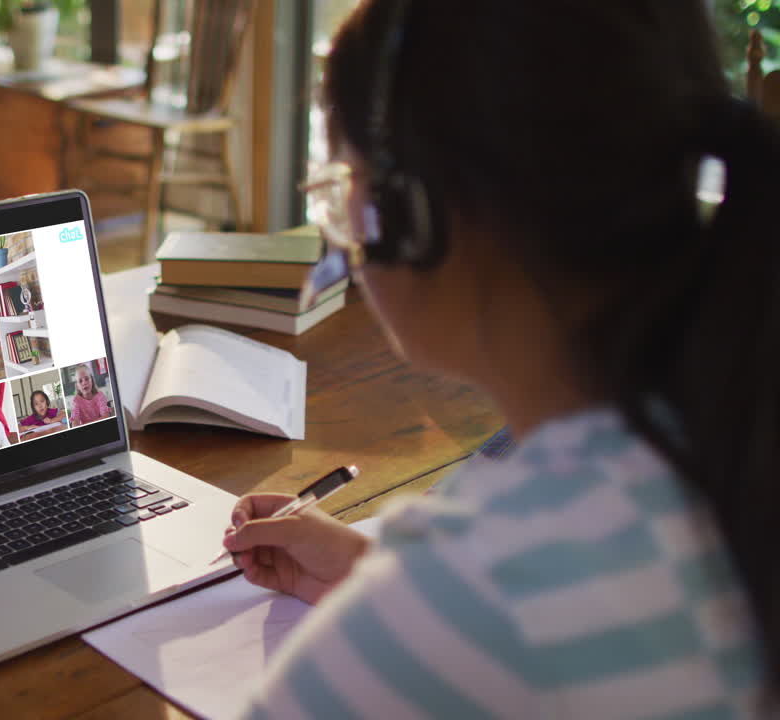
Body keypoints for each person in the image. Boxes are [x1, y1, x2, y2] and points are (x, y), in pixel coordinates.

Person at [221, 2, 776, 716]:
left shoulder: (483, 587)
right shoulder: (725, 437)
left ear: (415, 211)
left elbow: (511, 607)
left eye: (343, 185)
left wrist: (417, 611)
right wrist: (379, 578)